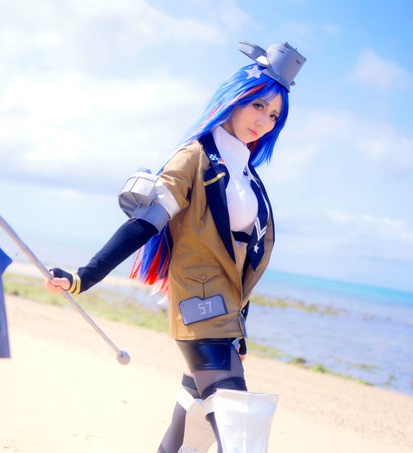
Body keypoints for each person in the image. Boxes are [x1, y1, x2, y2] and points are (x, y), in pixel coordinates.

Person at [45, 41, 306, 453]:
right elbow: (144, 224)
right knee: (239, 430)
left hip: (226, 318)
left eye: (274, 115)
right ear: (236, 97)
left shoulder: (249, 176)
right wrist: (83, 277)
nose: (264, 121)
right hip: (199, 311)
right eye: (258, 105)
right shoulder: (193, 158)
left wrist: (240, 327)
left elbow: (239, 263)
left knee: (189, 431)